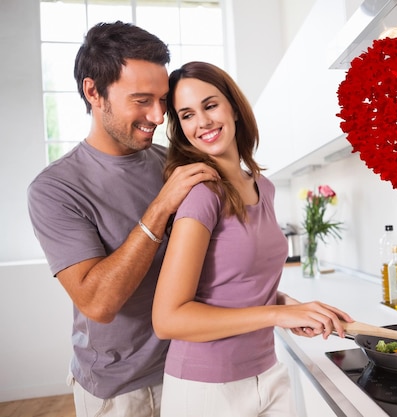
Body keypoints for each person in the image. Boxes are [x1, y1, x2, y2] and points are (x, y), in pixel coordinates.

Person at [27, 22, 218, 417]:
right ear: (93, 92)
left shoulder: (173, 163)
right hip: (120, 390)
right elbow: (98, 303)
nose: (158, 114)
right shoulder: (56, 188)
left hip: (193, 367)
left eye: (163, 100)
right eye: (142, 100)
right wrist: (160, 207)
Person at [151, 61, 353, 417]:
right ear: (180, 129)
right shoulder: (202, 194)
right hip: (206, 389)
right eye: (187, 115)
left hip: (267, 372)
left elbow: (235, 285)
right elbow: (168, 319)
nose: (202, 122)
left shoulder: (264, 186)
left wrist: (290, 306)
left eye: (210, 105)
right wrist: (275, 314)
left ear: (233, 107)